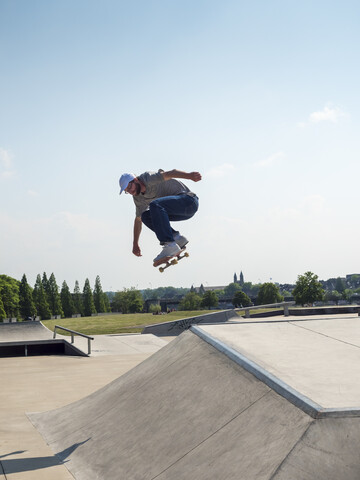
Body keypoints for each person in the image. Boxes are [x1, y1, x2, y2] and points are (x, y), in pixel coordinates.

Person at [119, 169, 201, 264]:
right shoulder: (138, 198)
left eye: (129, 187)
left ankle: (169, 244)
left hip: (189, 201)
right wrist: (135, 243)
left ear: (136, 180)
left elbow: (171, 173)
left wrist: (189, 175)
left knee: (155, 205)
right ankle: (177, 238)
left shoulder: (148, 178)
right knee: (145, 216)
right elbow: (138, 220)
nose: (130, 191)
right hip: (178, 211)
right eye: (126, 191)